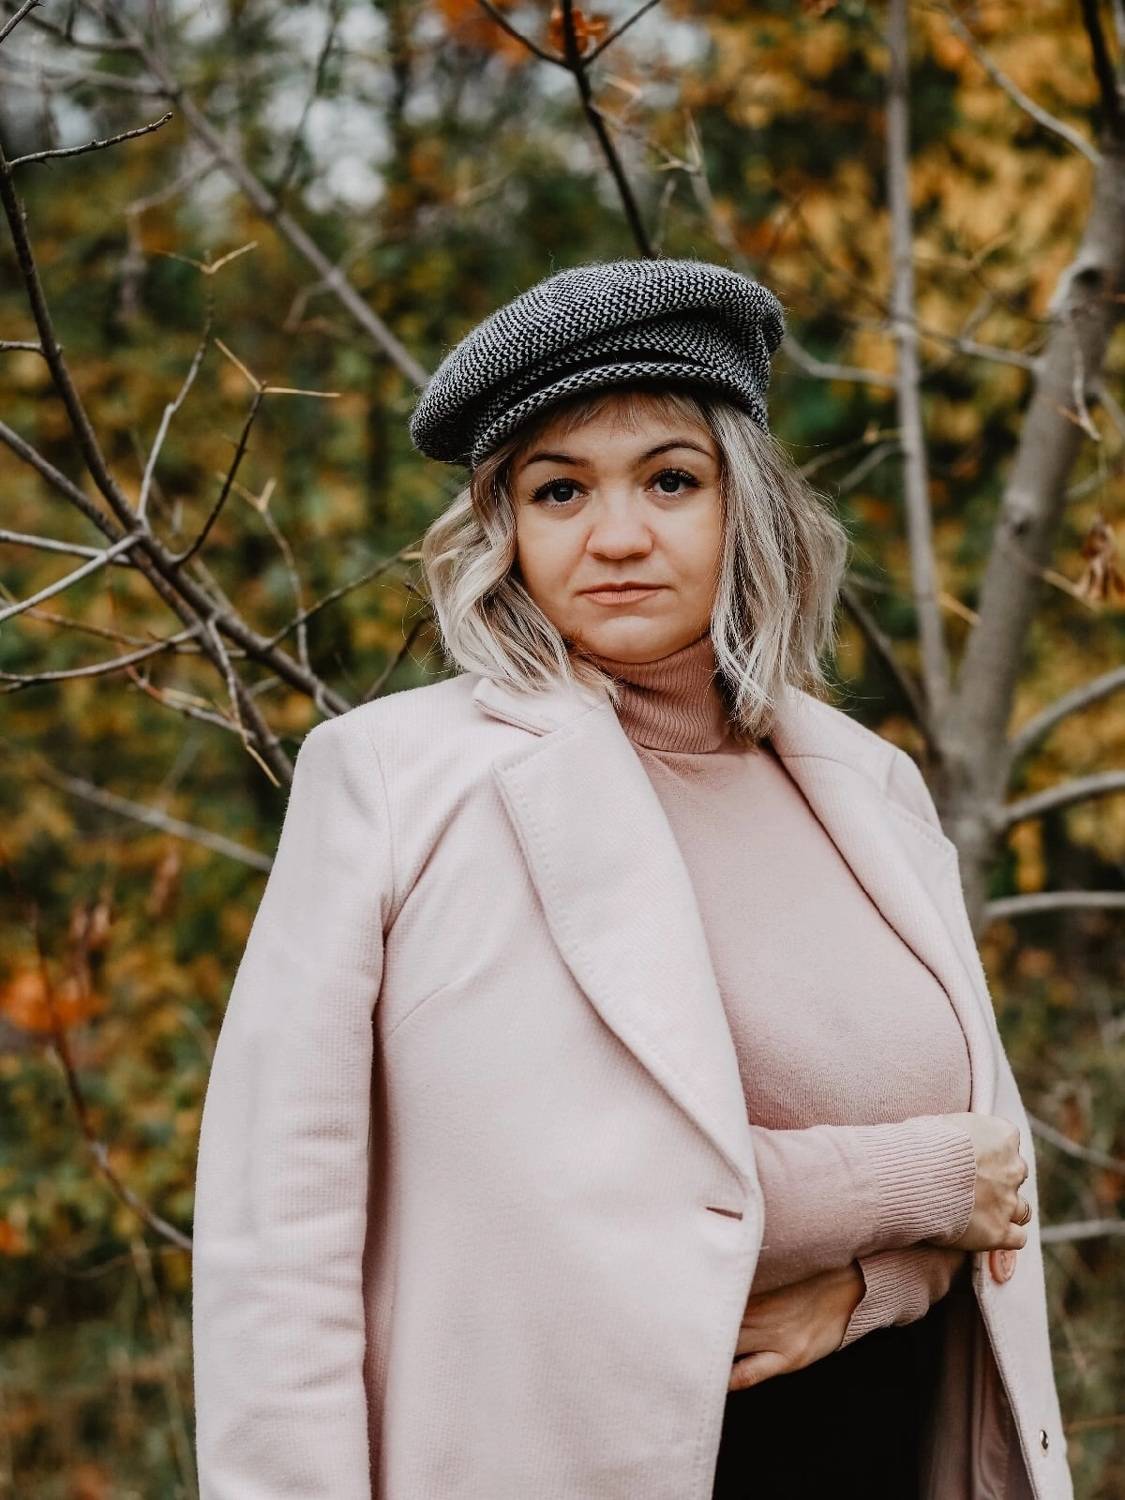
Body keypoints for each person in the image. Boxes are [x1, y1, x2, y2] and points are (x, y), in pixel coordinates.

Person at [190, 257, 1072, 1500]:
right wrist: (910, 1181)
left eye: (670, 480)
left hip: (880, 1447)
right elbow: (296, 1240)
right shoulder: (396, 784)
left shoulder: (869, 786)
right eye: (559, 490)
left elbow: (996, 1190)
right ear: (505, 527)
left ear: (744, 501)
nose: (617, 538)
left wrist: (881, 1283)